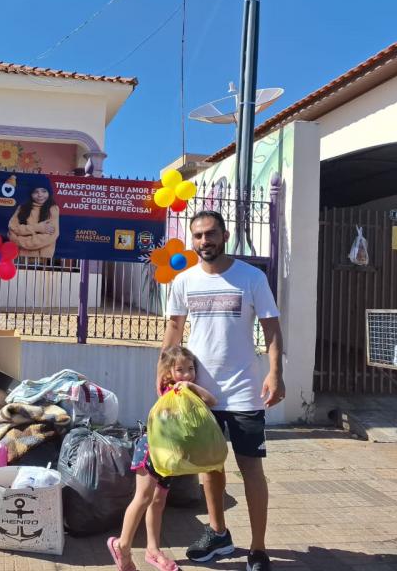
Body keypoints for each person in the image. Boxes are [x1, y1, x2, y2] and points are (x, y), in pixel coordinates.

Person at [162, 210, 284, 571]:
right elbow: (173, 329)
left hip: (245, 391)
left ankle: (258, 549)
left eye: (211, 234)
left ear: (225, 235)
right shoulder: (184, 281)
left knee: (251, 469)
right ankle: (218, 533)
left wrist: (275, 373)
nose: (204, 242)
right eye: (198, 235)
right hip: (198, 394)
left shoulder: (251, 277)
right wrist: (164, 372)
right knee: (210, 468)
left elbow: (272, 329)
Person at [108, 346, 217, 571]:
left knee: (158, 502)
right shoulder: (169, 391)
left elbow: (211, 401)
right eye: (180, 370)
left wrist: (192, 386)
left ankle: (153, 550)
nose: (186, 375)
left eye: (190, 369)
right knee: (143, 498)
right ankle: (122, 545)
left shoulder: (189, 391)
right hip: (151, 451)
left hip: (169, 457)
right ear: (168, 372)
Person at [8, 186, 60, 258]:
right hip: (19, 258)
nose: (40, 195)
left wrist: (18, 241)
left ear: (49, 192)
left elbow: (49, 236)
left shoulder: (53, 209)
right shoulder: (22, 207)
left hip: (42, 260)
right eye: (35, 192)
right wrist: (37, 228)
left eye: (44, 191)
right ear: (30, 194)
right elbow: (12, 228)